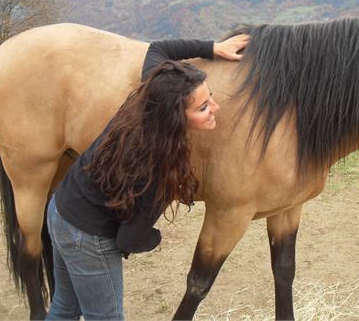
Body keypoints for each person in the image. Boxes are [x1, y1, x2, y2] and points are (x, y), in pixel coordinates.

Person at [45, 34, 249, 320]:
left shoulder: (149, 96)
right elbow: (129, 240)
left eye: (210, 97)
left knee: (64, 307)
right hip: (87, 236)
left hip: (60, 209)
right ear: (176, 117)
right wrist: (155, 238)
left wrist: (213, 48)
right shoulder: (159, 167)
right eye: (202, 108)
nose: (215, 108)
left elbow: (159, 48)